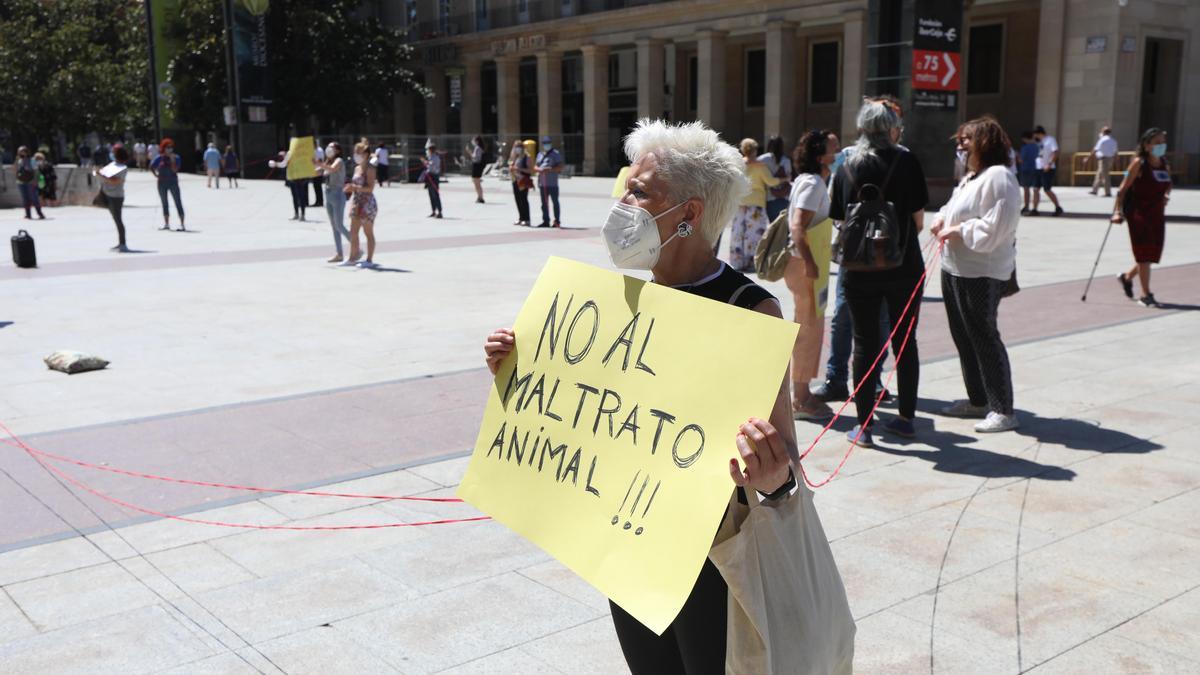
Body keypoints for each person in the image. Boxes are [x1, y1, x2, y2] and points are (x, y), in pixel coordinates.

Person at [483, 119, 807, 673]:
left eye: (639, 191)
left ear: (688, 214)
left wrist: (771, 476)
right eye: (626, 186)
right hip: (628, 545)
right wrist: (519, 372)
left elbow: (786, 466)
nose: (622, 200)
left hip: (710, 557)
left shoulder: (749, 310)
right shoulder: (622, 298)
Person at [829, 98, 929, 447]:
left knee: (864, 343)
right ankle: (905, 419)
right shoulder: (907, 160)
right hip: (904, 264)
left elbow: (839, 216)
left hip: (859, 268)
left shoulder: (846, 163)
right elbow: (918, 218)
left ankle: (865, 426)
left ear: (861, 128)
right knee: (905, 342)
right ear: (890, 127)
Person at [931, 117, 1021, 433]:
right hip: (955, 266)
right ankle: (978, 399)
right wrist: (942, 219)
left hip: (981, 272)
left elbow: (996, 226)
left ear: (984, 142)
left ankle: (1003, 409)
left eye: (966, 140)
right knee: (963, 336)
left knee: (983, 335)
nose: (961, 147)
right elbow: (953, 207)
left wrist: (959, 229)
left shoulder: (999, 178)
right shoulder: (972, 177)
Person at [785, 130, 839, 420]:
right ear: (820, 155)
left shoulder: (812, 181)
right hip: (804, 264)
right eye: (834, 148)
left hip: (805, 263)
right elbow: (798, 226)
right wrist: (810, 262)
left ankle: (802, 393)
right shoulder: (813, 182)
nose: (838, 153)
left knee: (809, 327)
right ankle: (801, 398)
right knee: (808, 330)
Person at [1112, 128, 1171, 308]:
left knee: (1151, 254)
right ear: (1146, 145)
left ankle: (1126, 278)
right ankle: (1146, 295)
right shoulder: (1139, 163)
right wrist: (1117, 212)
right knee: (1144, 254)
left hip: (1156, 214)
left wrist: (1166, 195)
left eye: (1163, 142)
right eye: (1157, 143)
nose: (1161, 146)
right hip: (1139, 213)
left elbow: (1168, 183)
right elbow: (1122, 189)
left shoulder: (1163, 163)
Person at [729, 138, 781, 272]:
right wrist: (784, 179)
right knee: (754, 234)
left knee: (738, 232)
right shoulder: (760, 166)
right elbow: (771, 182)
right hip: (756, 203)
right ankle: (752, 262)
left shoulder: (737, 165)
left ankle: (737, 262)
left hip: (740, 202)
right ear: (755, 150)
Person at [344, 141, 379, 268]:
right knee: (353, 231)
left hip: (367, 202)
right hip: (357, 201)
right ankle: (352, 258)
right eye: (355, 152)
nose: (355, 155)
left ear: (365, 154)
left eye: (358, 152)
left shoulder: (370, 168)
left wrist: (355, 187)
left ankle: (369, 260)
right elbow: (356, 186)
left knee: (368, 232)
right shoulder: (357, 168)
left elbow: (370, 188)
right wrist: (350, 188)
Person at [318, 142, 351, 263]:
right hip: (328, 194)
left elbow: (332, 169)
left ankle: (356, 246)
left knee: (339, 225)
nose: (329, 149)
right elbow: (318, 172)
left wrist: (320, 164)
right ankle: (339, 253)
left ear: (337, 150)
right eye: (328, 146)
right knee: (334, 227)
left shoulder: (339, 161)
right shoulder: (327, 162)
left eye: (332, 147)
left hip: (337, 194)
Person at [95, 145, 131, 253]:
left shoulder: (122, 167)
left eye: (114, 152)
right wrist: (99, 173)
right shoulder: (112, 165)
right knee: (115, 218)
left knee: (118, 219)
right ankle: (120, 242)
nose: (112, 153)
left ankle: (123, 243)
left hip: (116, 196)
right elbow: (103, 173)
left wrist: (103, 176)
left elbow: (116, 181)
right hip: (106, 193)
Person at [150, 138, 185, 231]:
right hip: (162, 183)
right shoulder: (159, 158)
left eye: (171, 147)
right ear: (163, 148)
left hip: (173, 182)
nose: (170, 149)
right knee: (164, 202)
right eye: (168, 147)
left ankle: (182, 224)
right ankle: (166, 224)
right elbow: (151, 166)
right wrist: (156, 175)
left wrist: (172, 160)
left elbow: (175, 170)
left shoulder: (176, 157)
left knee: (178, 201)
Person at [1030, 125, 1063, 216]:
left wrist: (1049, 164)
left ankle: (1058, 207)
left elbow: (1056, 152)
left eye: (1035, 134)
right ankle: (1034, 209)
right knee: (1035, 189)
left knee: (1047, 189)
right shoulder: (1040, 142)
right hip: (1039, 167)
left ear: (1039, 133)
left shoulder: (1050, 140)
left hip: (1047, 168)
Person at [759, 135, 792, 223]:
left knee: (772, 226)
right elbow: (789, 178)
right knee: (783, 227)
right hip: (784, 197)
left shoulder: (763, 159)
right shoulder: (786, 161)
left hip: (769, 197)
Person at [535, 135, 564, 227]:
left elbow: (560, 167)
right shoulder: (540, 154)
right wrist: (539, 169)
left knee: (555, 202)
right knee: (544, 203)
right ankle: (545, 220)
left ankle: (557, 221)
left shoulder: (556, 154)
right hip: (542, 183)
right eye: (544, 143)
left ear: (551, 144)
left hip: (552, 183)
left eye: (548, 143)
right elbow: (535, 166)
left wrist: (550, 169)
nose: (546, 145)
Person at [12, 146, 44, 219]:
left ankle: (40, 213)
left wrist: (35, 181)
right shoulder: (19, 160)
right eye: (20, 151)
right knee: (25, 198)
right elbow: (14, 170)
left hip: (31, 181)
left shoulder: (32, 160)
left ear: (27, 152)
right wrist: (16, 161)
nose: (21, 153)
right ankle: (28, 214)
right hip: (20, 182)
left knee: (34, 197)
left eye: (23, 151)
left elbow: (36, 171)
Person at [1089, 126, 1118, 197]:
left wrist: (1088, 157)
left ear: (1103, 132)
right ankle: (1094, 190)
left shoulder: (1102, 140)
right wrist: (1116, 160)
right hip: (1110, 159)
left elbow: (1095, 149)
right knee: (1099, 174)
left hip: (1104, 159)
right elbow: (1115, 152)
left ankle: (1108, 192)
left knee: (1105, 176)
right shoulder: (1113, 140)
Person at [1016, 131, 1040, 215]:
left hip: (1026, 169)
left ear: (1025, 139)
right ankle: (1035, 208)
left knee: (1026, 189)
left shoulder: (1025, 148)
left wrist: (1018, 156)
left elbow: (1021, 160)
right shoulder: (1037, 147)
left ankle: (1026, 206)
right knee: (1036, 189)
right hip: (1036, 169)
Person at [510, 140, 533, 226]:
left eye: (519, 146)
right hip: (515, 180)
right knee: (517, 199)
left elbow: (530, 170)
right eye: (516, 146)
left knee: (523, 199)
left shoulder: (527, 157)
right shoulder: (515, 157)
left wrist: (519, 169)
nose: (517, 148)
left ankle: (526, 219)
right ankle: (521, 218)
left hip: (523, 180)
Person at [422, 140, 443, 218]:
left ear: (431, 150)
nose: (427, 151)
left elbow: (434, 167)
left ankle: (440, 212)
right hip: (429, 176)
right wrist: (426, 163)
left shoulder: (436, 157)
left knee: (435, 195)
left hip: (434, 177)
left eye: (428, 149)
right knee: (430, 194)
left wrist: (426, 162)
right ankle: (433, 211)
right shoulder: (430, 157)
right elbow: (429, 166)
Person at [469, 136, 486, 203]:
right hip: (477, 166)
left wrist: (470, 152)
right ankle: (479, 197)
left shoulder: (477, 148)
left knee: (477, 183)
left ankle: (480, 197)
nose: (473, 142)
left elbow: (476, 158)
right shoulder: (479, 148)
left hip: (477, 166)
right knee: (476, 182)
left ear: (477, 141)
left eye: (474, 140)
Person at [311, 141, 325, 207]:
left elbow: (320, 160)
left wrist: (315, 162)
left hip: (319, 169)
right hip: (314, 170)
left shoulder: (319, 150)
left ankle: (320, 201)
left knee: (318, 186)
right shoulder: (313, 150)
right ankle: (317, 201)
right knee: (315, 186)